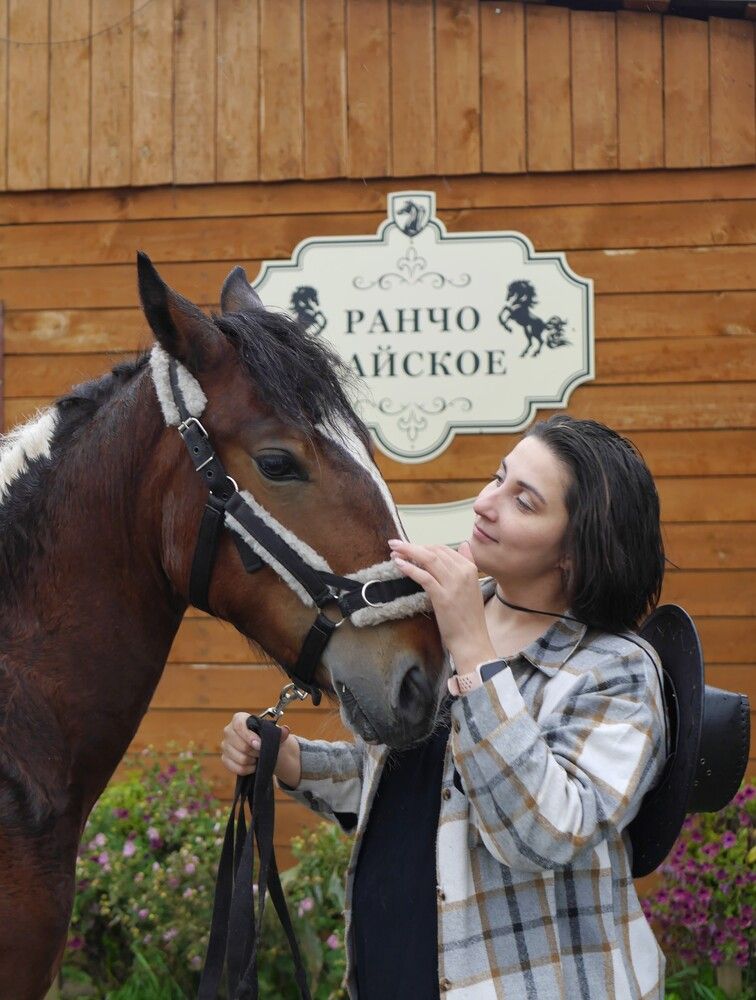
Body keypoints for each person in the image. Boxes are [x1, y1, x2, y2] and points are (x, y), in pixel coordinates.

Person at [221, 414, 669, 999]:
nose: (486, 503)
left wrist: (474, 654)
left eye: (524, 502)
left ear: (574, 551)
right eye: (497, 477)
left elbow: (542, 835)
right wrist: (291, 761)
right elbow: (410, 783)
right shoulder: (447, 621)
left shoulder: (616, 670)